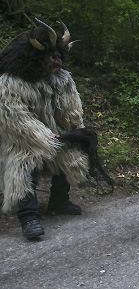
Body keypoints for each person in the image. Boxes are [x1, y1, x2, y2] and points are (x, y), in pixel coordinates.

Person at [0, 18, 91, 239]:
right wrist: (43, 136)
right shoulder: (11, 82)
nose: (56, 61)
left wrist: (74, 130)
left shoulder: (62, 79)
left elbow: (71, 109)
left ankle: (59, 201)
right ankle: (28, 216)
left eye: (59, 56)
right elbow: (14, 117)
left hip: (53, 134)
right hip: (22, 140)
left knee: (72, 155)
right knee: (21, 165)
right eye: (51, 56)